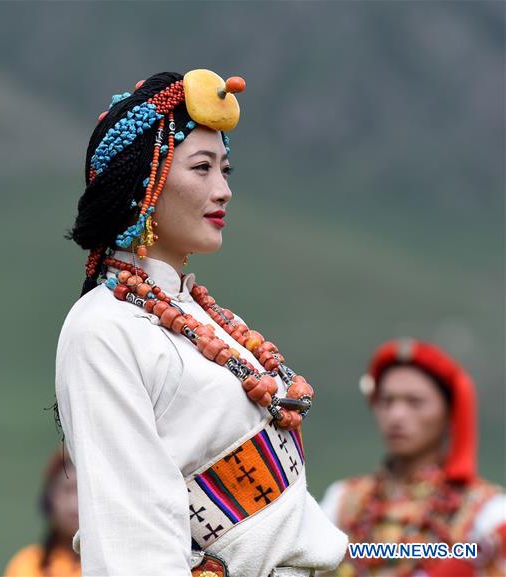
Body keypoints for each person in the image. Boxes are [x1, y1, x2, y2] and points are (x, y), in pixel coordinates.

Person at [55, 70, 347, 577]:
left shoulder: (202, 315)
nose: (224, 190)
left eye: (225, 170)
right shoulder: (103, 330)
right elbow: (132, 536)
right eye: (202, 167)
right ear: (144, 180)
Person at [320, 339, 505, 577]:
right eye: (386, 401)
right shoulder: (342, 502)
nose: (396, 415)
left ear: (449, 413)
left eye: (414, 402)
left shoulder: (487, 514)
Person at [4, 451, 81, 577]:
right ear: (49, 499)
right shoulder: (27, 564)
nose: (73, 505)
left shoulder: (107, 563)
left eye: (80, 493)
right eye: (67, 491)